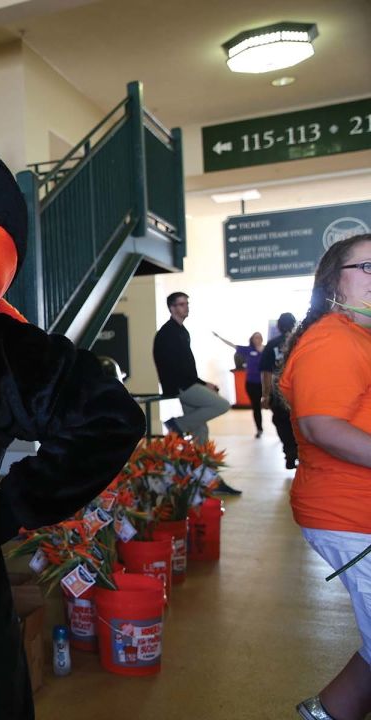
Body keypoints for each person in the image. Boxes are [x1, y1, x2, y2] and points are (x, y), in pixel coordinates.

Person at [279, 234, 371, 720]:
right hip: (349, 516)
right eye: (368, 267)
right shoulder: (334, 337)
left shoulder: (359, 337)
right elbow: (323, 427)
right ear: (333, 281)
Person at [152, 292, 240, 494]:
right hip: (181, 386)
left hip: (187, 384)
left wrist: (202, 383)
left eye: (187, 303)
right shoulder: (168, 333)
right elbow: (176, 368)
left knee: (201, 432)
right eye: (181, 304)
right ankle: (176, 425)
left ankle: (206, 479)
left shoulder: (182, 331)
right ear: (172, 308)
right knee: (222, 404)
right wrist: (201, 384)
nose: (186, 307)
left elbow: (187, 366)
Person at [259, 313, 298, 469]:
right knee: (299, 422)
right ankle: (299, 451)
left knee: (281, 422)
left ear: (279, 327)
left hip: (279, 392)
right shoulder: (301, 341)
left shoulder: (271, 345)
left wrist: (265, 395)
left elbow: (267, 372)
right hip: (299, 391)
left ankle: (289, 451)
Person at [212, 330, 265, 437]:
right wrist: (219, 337)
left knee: (272, 406)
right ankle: (259, 429)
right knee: (256, 407)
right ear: (252, 339)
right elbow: (232, 345)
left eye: (259, 337)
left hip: (264, 384)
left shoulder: (266, 350)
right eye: (255, 337)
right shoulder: (248, 350)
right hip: (251, 384)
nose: (258, 339)